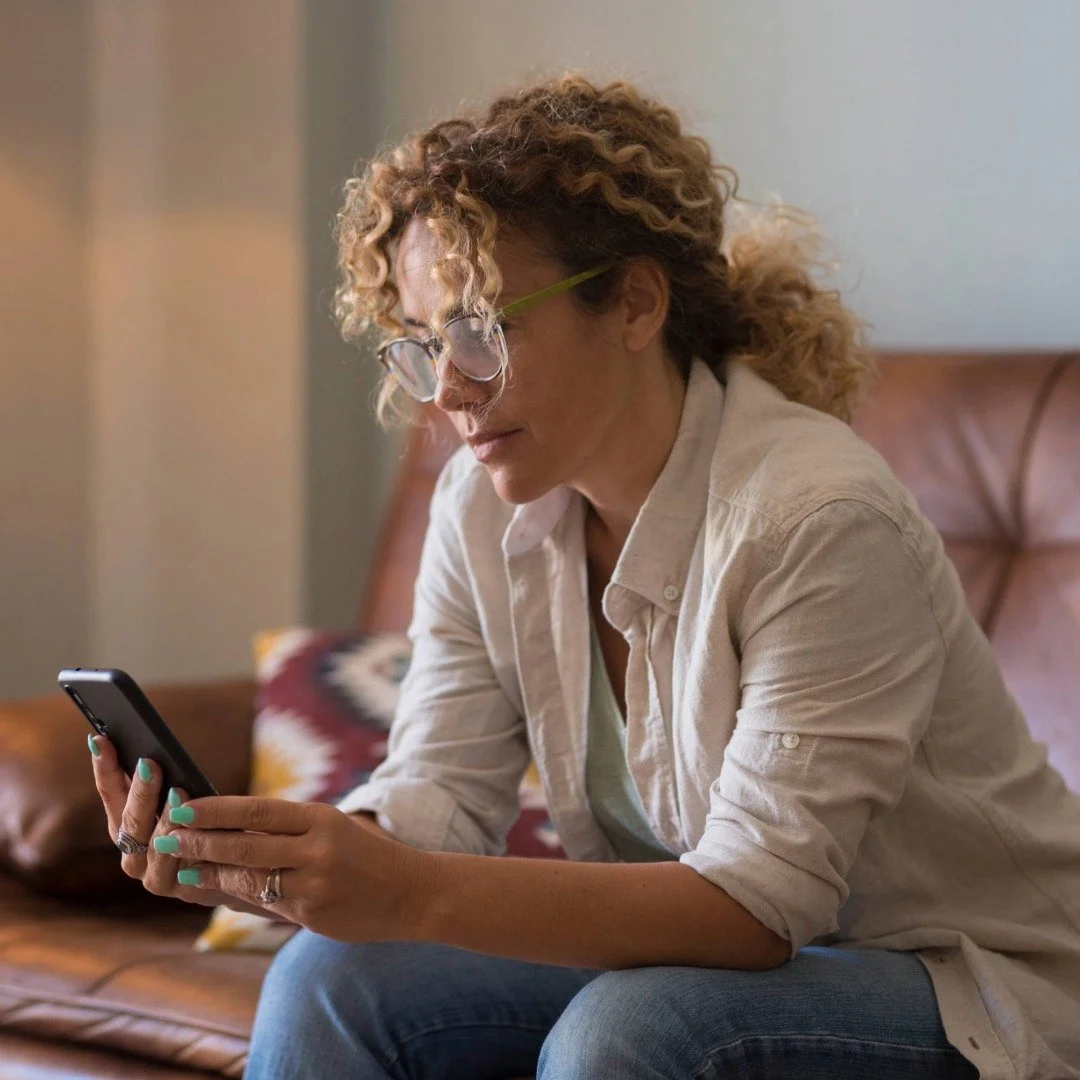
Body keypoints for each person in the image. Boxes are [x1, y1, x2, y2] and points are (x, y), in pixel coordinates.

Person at [90, 73, 1080, 1080]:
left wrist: (408, 891)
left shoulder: (818, 518)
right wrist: (270, 865)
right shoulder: (482, 509)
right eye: (426, 345)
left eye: (482, 329)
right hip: (698, 968)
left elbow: (757, 907)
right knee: (325, 978)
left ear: (636, 303)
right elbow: (439, 798)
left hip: (961, 986)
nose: (449, 391)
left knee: (628, 1033)